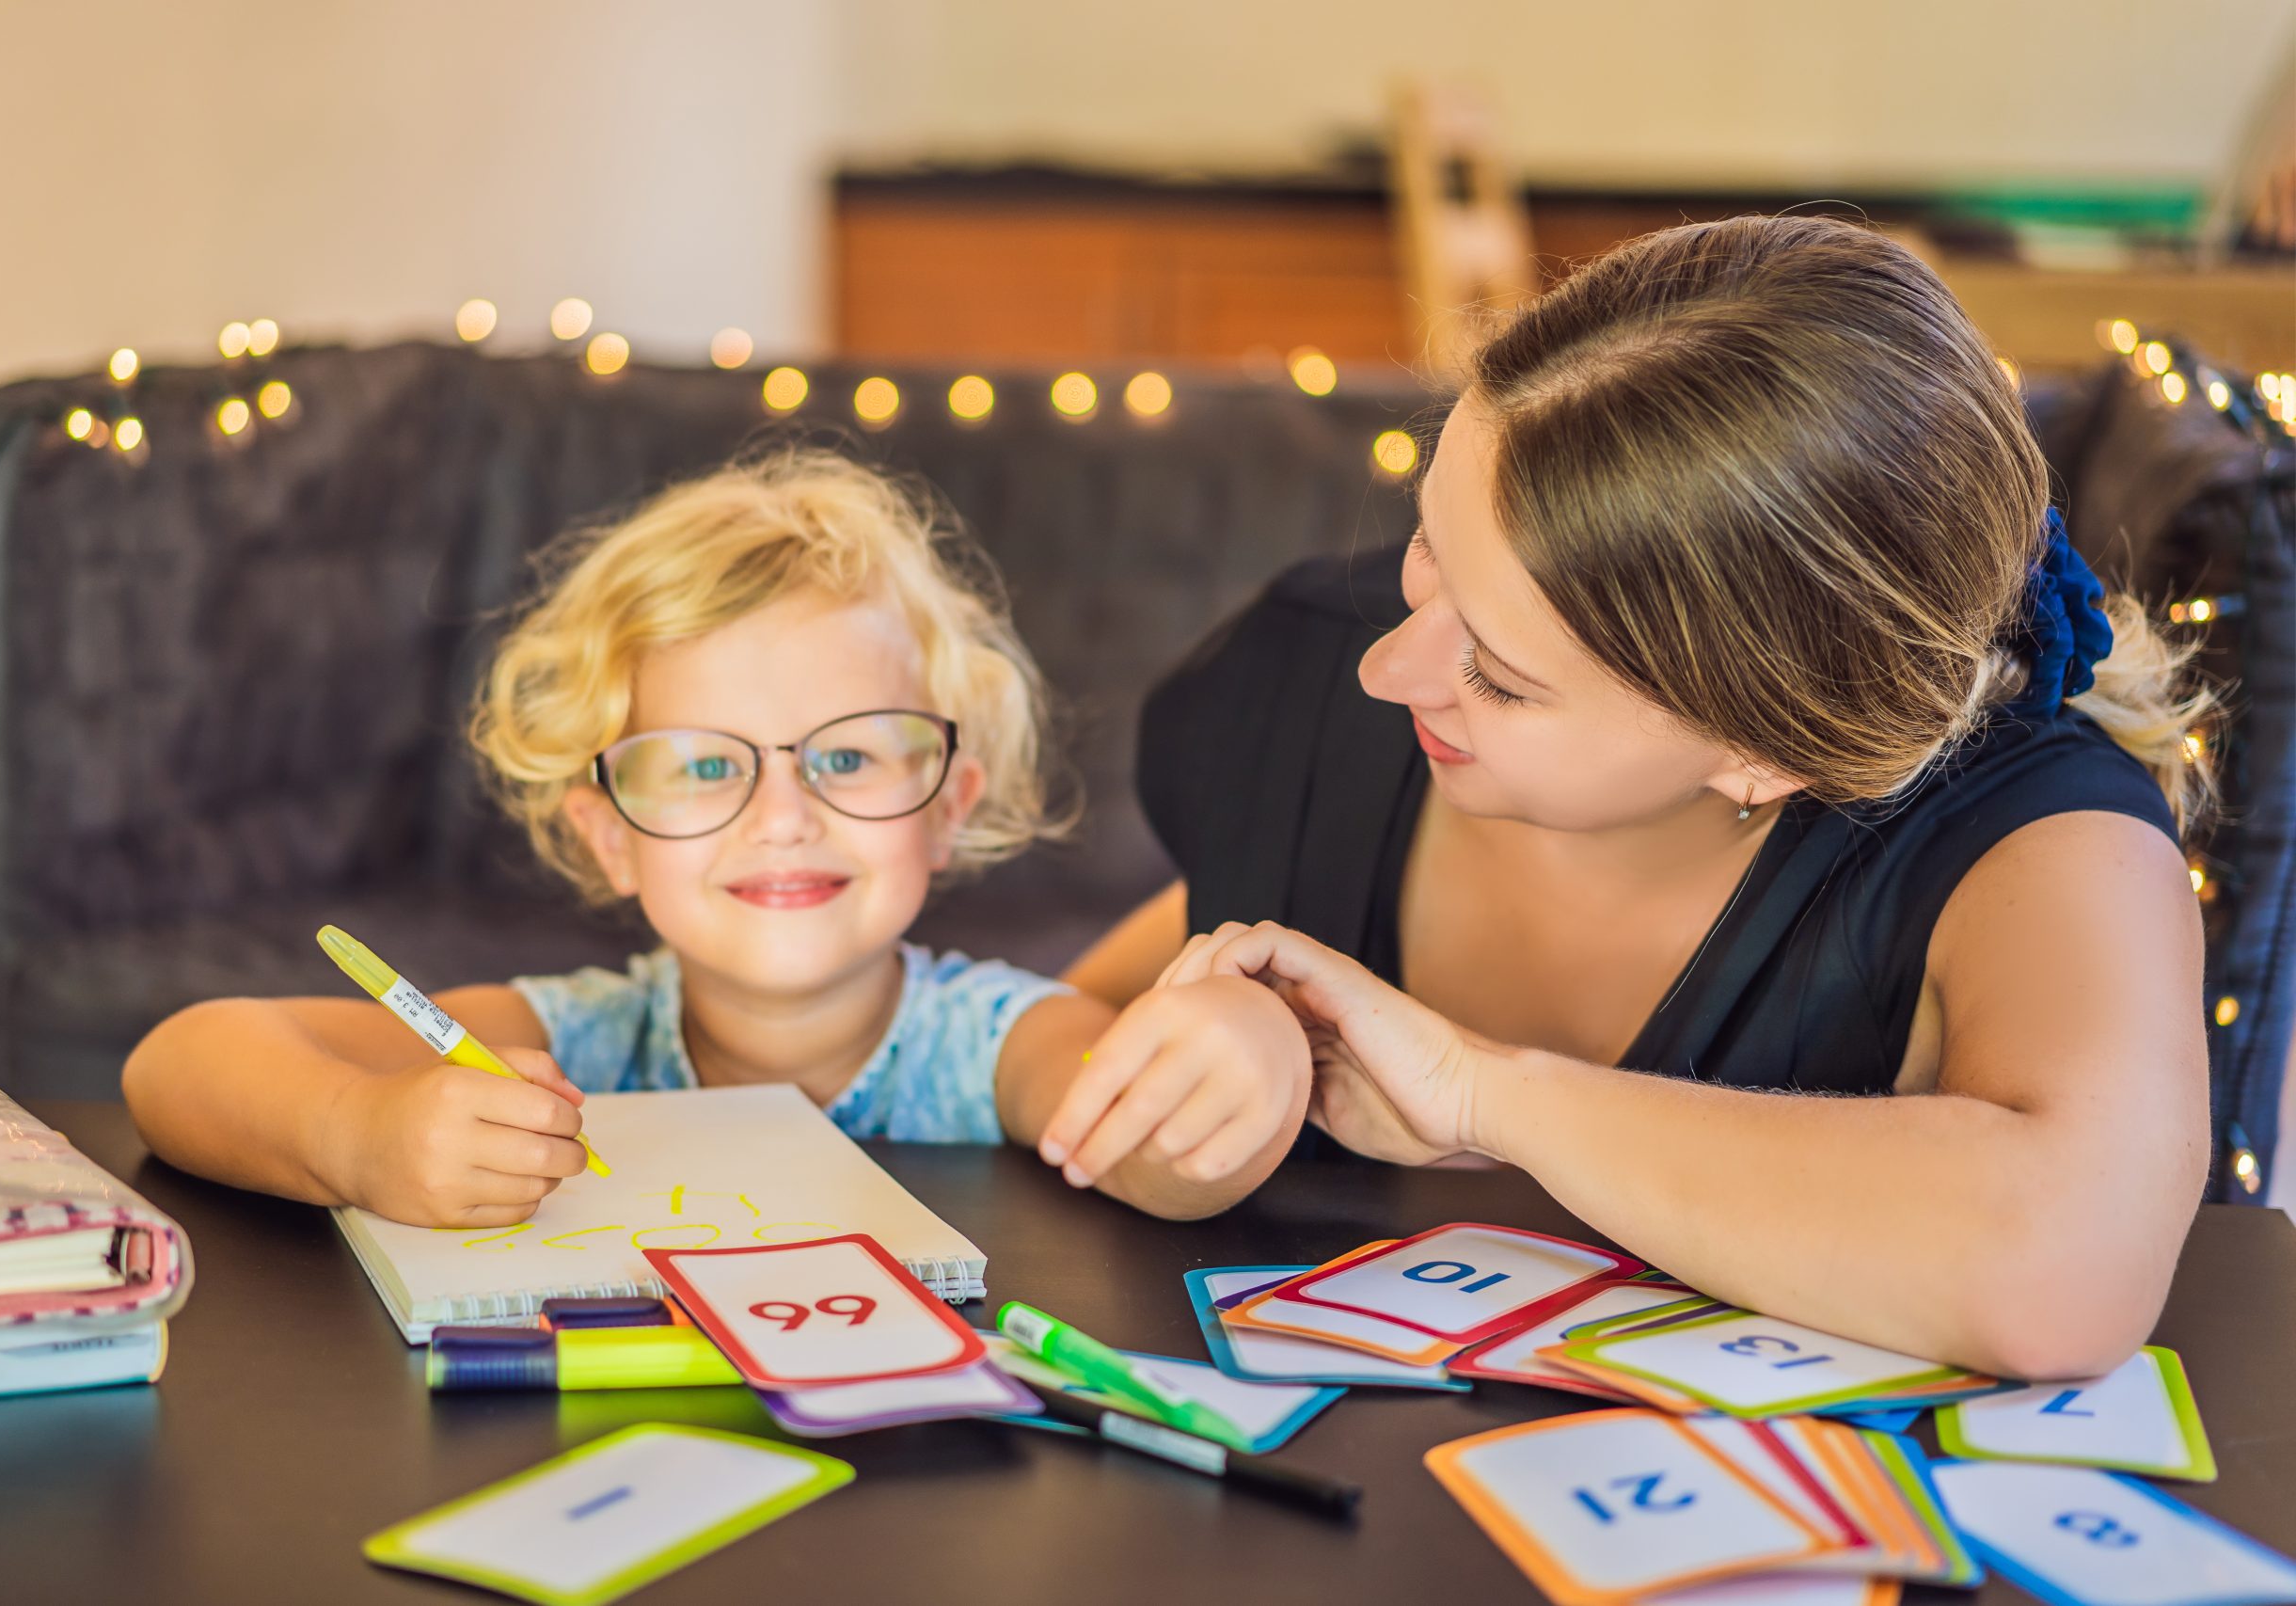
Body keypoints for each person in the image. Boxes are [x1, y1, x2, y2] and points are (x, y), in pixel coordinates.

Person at [1049, 215, 2214, 1379]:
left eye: (1499, 679)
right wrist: (1224, 1052)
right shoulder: (1304, 690)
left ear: (1759, 751)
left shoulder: (2039, 840)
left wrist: (1484, 1096)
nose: (1386, 668)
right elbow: (1081, 1014)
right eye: (1427, 550)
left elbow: (2066, 1268)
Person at [123, 452, 1308, 1226]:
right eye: (702, 766)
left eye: (845, 756)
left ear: (948, 805)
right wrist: (359, 1136)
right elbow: (177, 1063)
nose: (781, 814)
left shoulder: (996, 1043)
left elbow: (1165, 1157)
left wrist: (1250, 1058)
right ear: (610, 839)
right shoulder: (573, 1039)